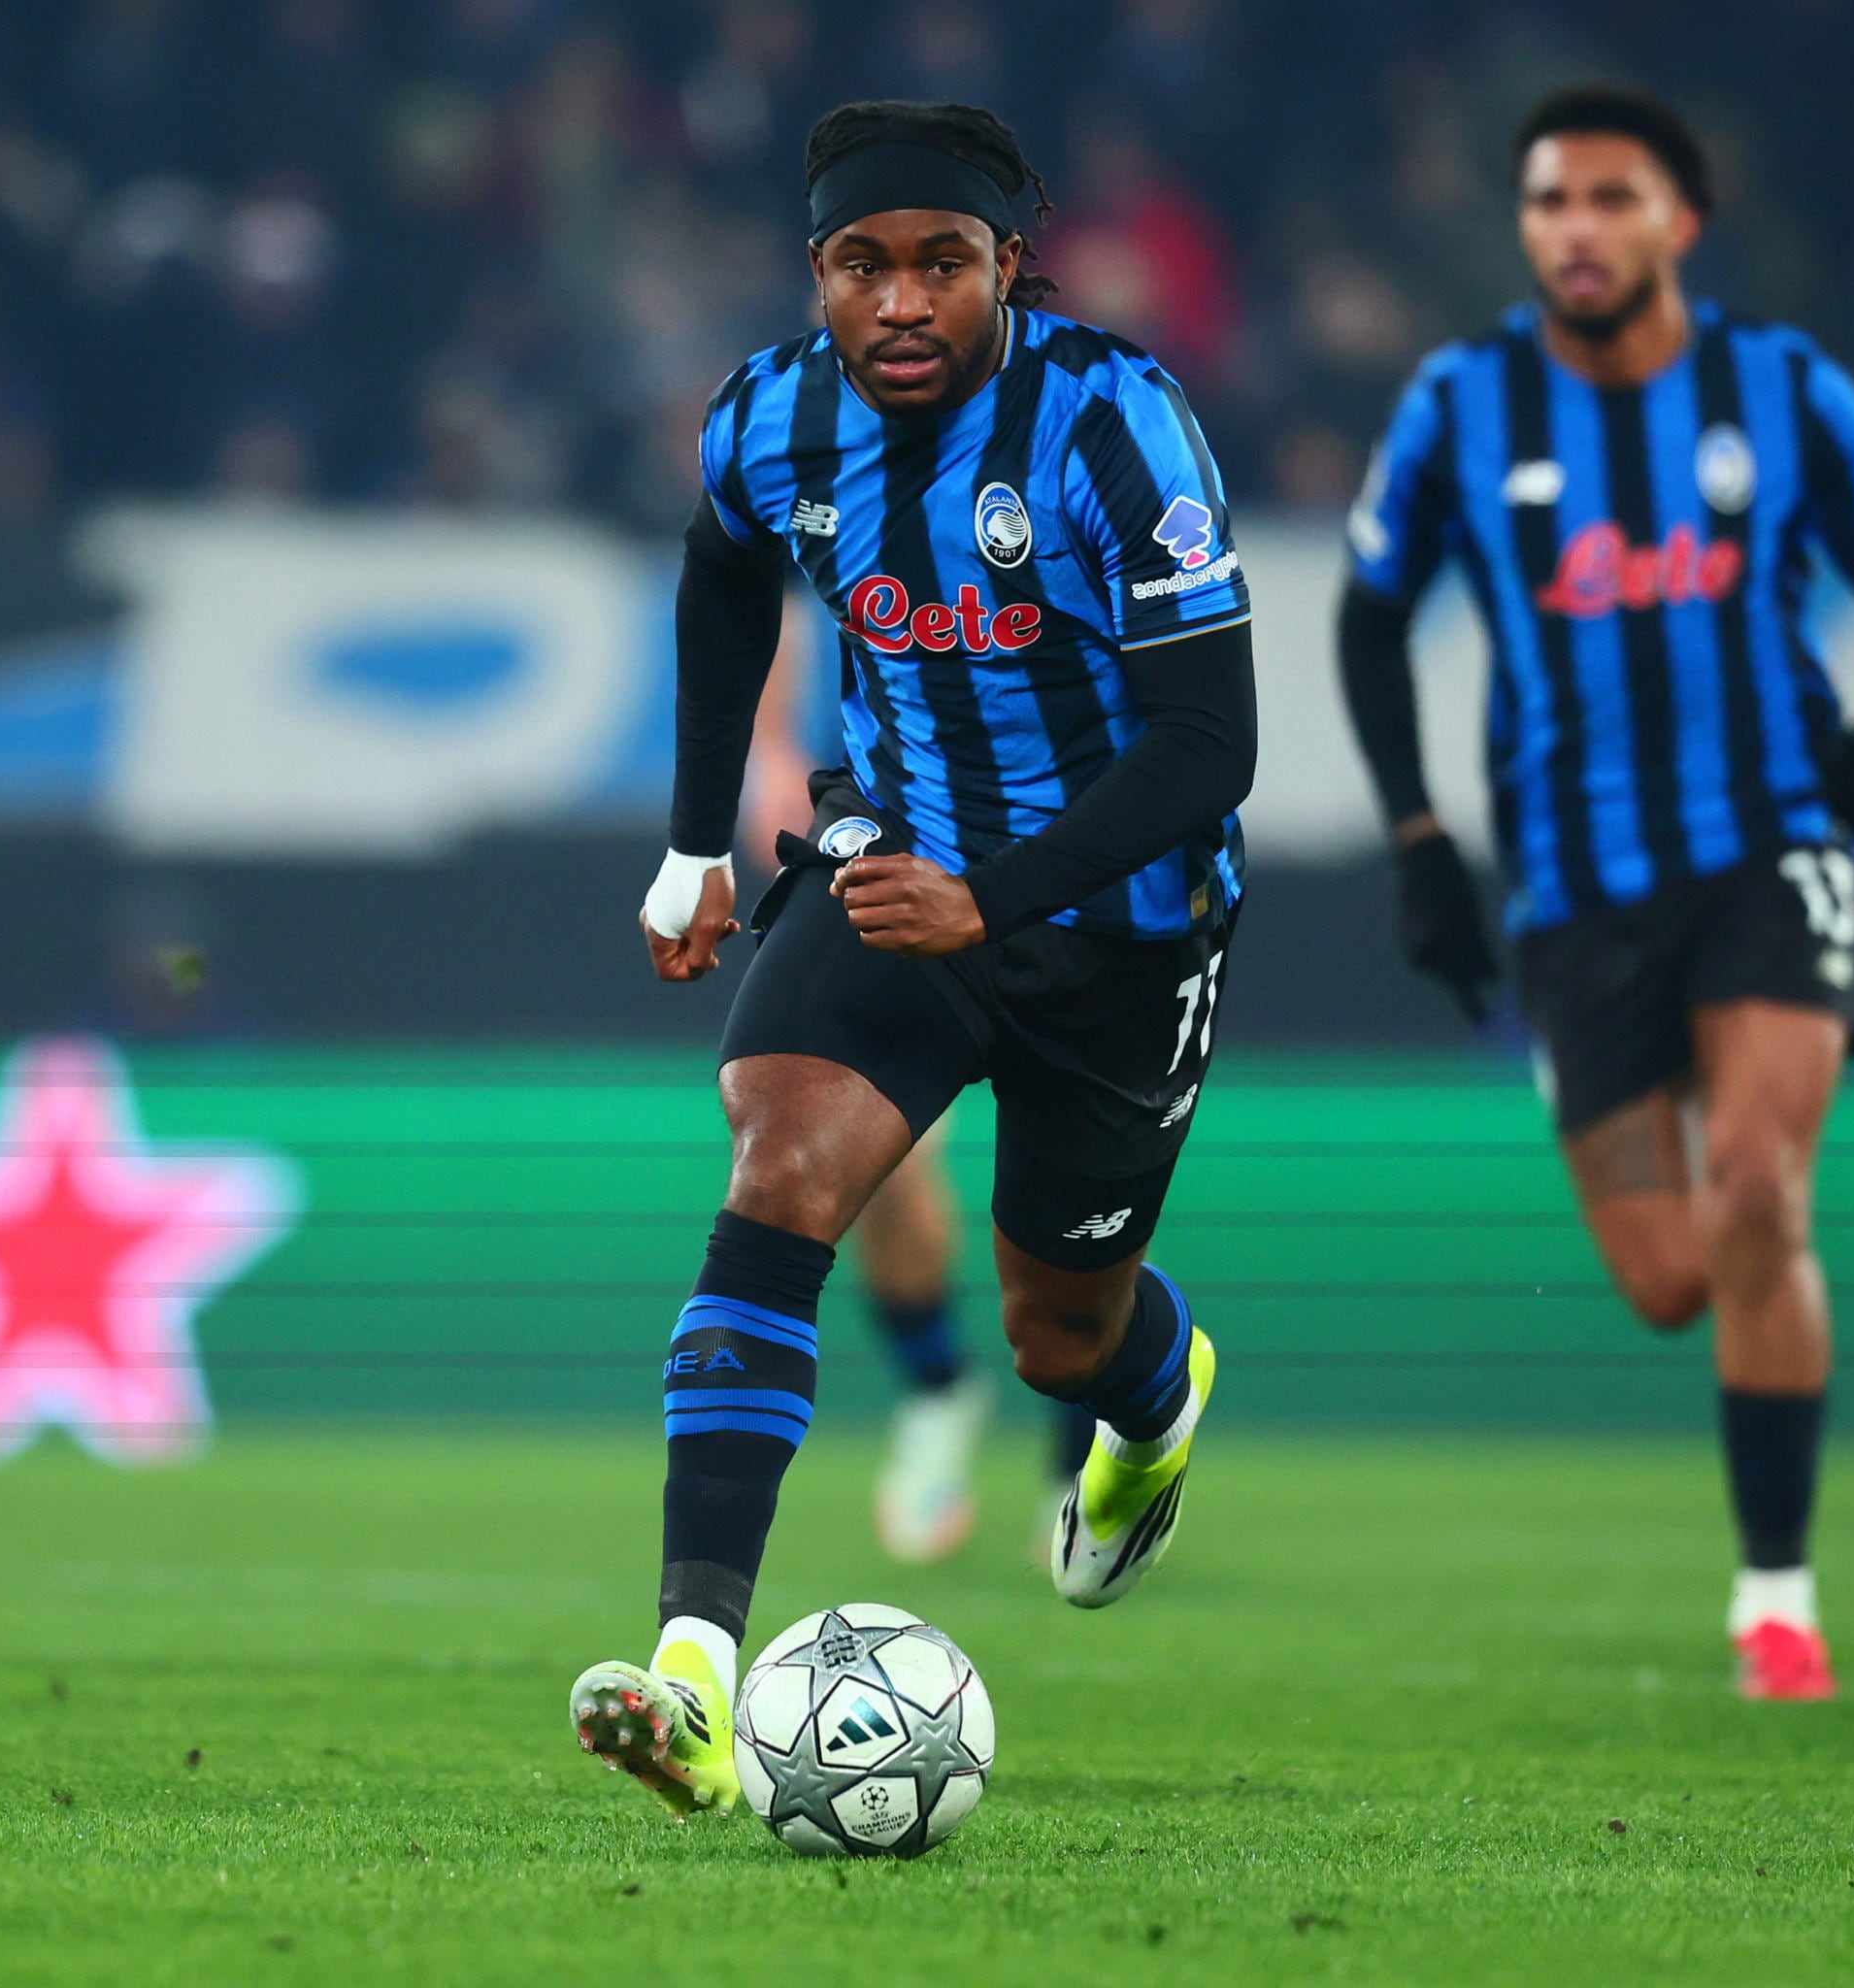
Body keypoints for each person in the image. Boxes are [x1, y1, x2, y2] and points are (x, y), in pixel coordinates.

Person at [570, 98, 1257, 1814]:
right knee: (778, 1164)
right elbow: (722, 574)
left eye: (941, 264)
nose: (899, 301)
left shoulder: (1116, 422)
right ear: (816, 271)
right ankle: (692, 1678)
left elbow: (1209, 741)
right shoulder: (770, 416)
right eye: (861, 265)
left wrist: (997, 897)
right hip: (889, 868)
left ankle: (1154, 1405)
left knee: (1059, 1330)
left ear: (1007, 267)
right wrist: (694, 842)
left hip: (1121, 925)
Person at [1335, 86, 1854, 1702]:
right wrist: (1419, 840)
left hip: (1768, 848)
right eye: (1550, 200)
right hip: (1573, 890)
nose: (1577, 228)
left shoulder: (1784, 389)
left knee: (1756, 1192)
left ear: (1682, 219)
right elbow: (1367, 616)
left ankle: (1777, 1598)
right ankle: (1768, 1540)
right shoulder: (1460, 402)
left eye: (1611, 197)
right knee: (1672, 1281)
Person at [745, 614, 1101, 1566]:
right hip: (899, 830)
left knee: (1081, 1175)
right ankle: (938, 1388)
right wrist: (769, 748)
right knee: (869, 1151)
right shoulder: (858, 519)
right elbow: (772, 580)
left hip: (1067, 839)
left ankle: (1081, 1452)